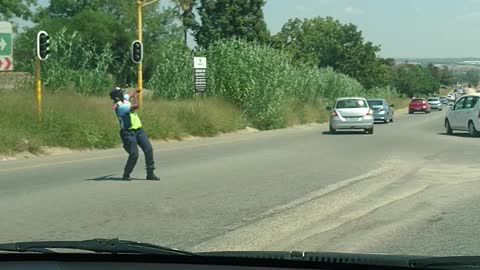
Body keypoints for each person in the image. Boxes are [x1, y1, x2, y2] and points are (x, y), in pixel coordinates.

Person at [109, 87, 160, 181]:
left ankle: (150, 173)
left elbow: (130, 94)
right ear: (116, 98)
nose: (123, 94)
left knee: (148, 149)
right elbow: (136, 106)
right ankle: (126, 174)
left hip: (139, 130)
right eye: (120, 93)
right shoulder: (120, 106)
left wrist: (136, 91)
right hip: (128, 133)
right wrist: (136, 97)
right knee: (134, 154)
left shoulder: (123, 99)